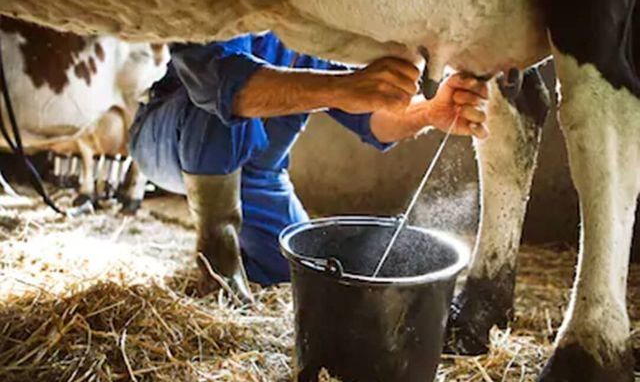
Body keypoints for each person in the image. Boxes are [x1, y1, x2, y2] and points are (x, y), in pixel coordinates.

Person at [129, 31, 489, 301]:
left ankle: (247, 257)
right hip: (170, 138)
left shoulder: (313, 31)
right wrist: (345, 87)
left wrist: (428, 111)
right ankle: (217, 262)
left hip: (258, 178)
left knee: (306, 273)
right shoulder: (228, 1)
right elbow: (219, 84)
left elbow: (374, 120)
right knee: (221, 105)